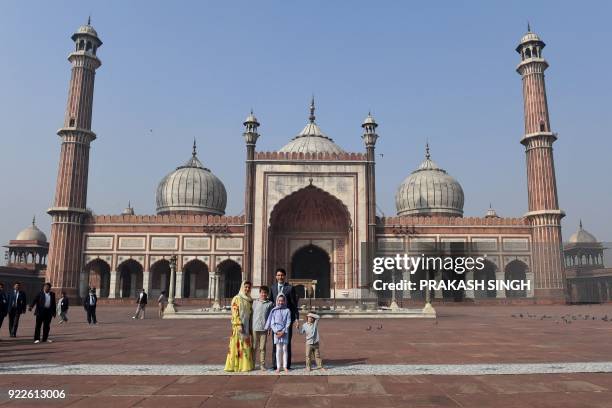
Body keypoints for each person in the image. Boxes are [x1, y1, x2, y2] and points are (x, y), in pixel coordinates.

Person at [268, 268, 298, 369]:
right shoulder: (272, 288)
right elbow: (270, 303)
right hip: (276, 321)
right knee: (275, 343)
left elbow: (294, 304)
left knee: (287, 343)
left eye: (282, 275)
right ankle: (275, 365)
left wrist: (296, 318)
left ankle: (287, 365)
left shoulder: (290, 288)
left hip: (287, 320)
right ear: (276, 276)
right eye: (278, 275)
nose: (280, 277)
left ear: (285, 276)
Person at [224, 281, 254, 372]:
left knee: (245, 345)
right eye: (245, 287)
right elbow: (235, 312)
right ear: (242, 287)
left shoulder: (249, 299)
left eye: (249, 287)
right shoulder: (237, 298)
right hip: (238, 326)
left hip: (247, 325)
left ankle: (245, 366)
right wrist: (238, 324)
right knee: (237, 345)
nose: (247, 289)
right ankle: (234, 366)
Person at [264, 293, 292, 373]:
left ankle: (285, 366)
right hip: (276, 332)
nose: (281, 302)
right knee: (278, 349)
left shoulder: (287, 310)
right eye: (279, 300)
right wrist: (276, 331)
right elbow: (272, 323)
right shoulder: (274, 310)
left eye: (282, 301)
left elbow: (288, 322)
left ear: (284, 301)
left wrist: (283, 331)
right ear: (277, 301)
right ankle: (278, 367)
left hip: (285, 332)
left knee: (285, 349)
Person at [252, 285, 274, 371]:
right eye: (262, 293)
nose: (263, 294)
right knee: (254, 347)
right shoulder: (254, 302)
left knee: (262, 348)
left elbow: (270, 317)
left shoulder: (270, 304)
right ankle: (252, 363)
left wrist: (269, 328)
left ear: (267, 294)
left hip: (264, 329)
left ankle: (262, 364)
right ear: (259, 293)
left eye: (265, 293)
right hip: (255, 328)